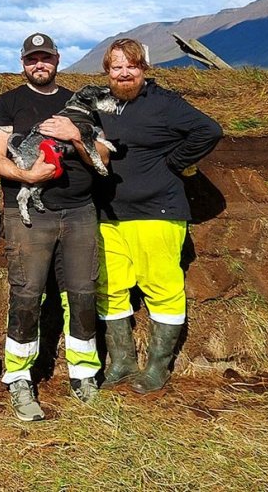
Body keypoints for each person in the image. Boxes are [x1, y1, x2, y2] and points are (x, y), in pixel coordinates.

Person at [0, 33, 110, 421]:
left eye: (46, 58)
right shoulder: (8, 103)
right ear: (23, 63)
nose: (40, 64)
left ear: (57, 59)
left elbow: (103, 155)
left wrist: (76, 136)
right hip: (30, 217)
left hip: (80, 211)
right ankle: (19, 377)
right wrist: (28, 174)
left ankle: (84, 372)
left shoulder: (81, 103)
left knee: (83, 292)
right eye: (32, 59)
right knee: (27, 293)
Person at [95, 38, 222, 394]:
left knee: (162, 289)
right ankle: (121, 363)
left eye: (131, 67)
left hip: (157, 212)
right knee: (110, 287)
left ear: (143, 69)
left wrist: (174, 162)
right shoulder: (101, 104)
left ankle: (156, 367)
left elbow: (209, 130)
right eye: (116, 67)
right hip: (109, 215)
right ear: (107, 71)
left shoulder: (164, 103)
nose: (124, 73)